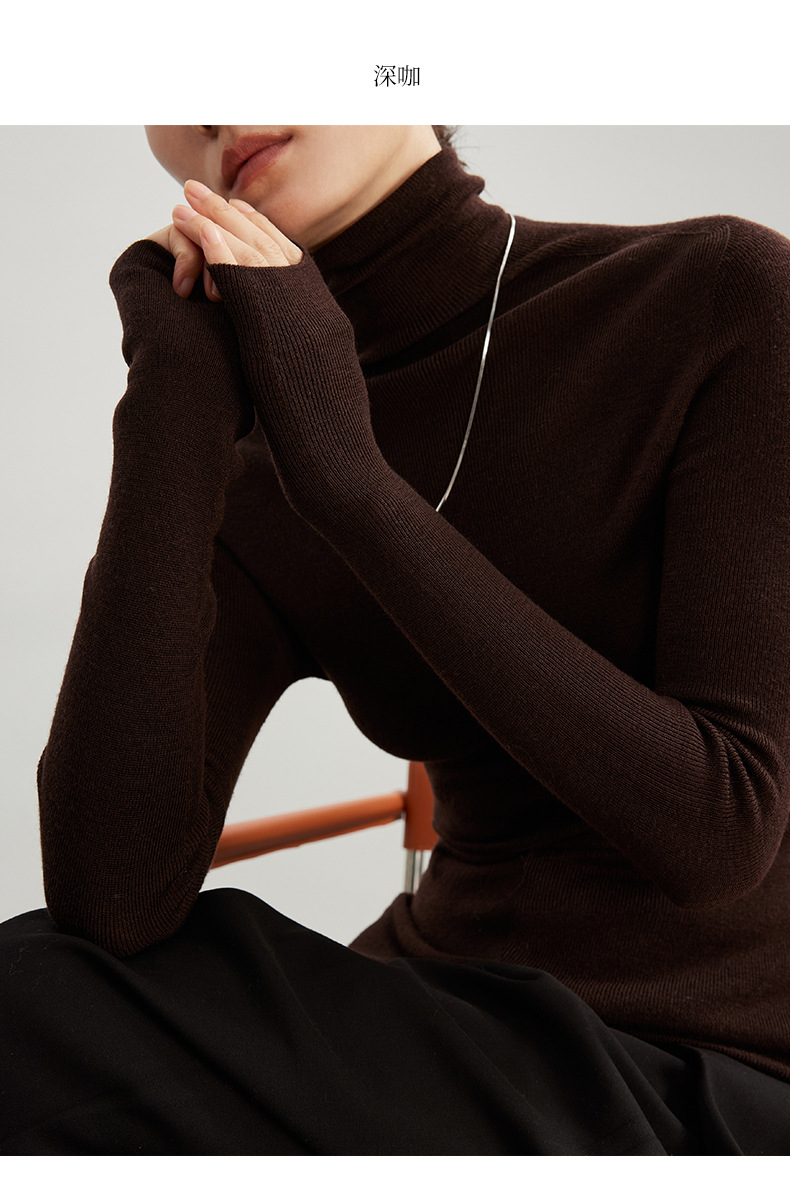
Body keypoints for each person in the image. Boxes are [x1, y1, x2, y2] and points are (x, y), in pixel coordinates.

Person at [2, 123, 790, 1155]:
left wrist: (352, 486)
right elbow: (111, 905)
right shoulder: (258, 461)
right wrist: (172, 401)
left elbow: (722, 830)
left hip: (706, 1071)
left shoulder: (720, 296)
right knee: (30, 994)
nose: (211, 99)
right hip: (439, 1014)